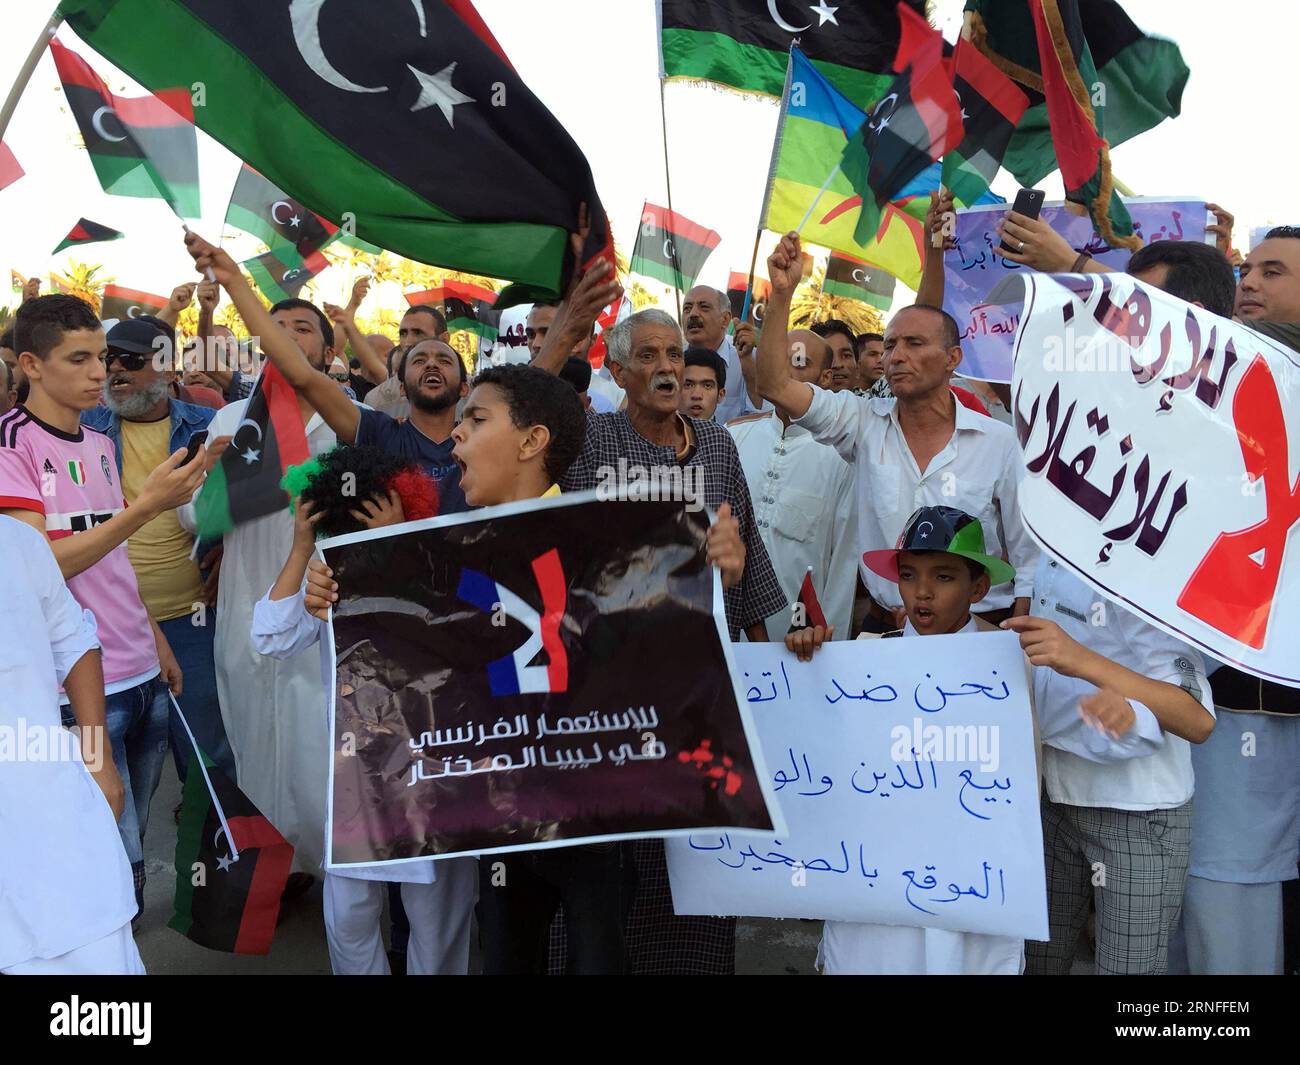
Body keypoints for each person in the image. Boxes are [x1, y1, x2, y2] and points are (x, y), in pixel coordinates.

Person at [0, 294, 202, 913]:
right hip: (79, 686)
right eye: (80, 358)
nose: (99, 372)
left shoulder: (98, 440)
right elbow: (41, 568)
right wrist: (148, 507)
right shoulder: (12, 446)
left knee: (132, 833)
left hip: (141, 666)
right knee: (98, 846)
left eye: (105, 358)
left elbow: (114, 562)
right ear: (31, 364)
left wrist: (157, 639)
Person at [251, 445, 476, 975]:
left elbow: (470, 634)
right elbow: (269, 636)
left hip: (433, 772)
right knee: (350, 916)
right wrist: (304, 547)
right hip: (353, 780)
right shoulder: (326, 576)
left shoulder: (444, 559)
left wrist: (402, 548)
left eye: (379, 512)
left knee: (438, 920)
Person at [786, 506, 1033, 974]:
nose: (922, 592)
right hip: (879, 885)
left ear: (978, 588)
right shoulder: (864, 660)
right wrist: (805, 665)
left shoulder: (1011, 667)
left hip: (970, 885)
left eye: (943, 576)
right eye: (908, 575)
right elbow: (814, 754)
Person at [756, 231, 1038, 633]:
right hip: (881, 631)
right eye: (890, 346)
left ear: (952, 359)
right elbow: (775, 386)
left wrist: (1012, 644)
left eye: (914, 343)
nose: (896, 356)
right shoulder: (861, 422)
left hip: (979, 634)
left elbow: (1028, 558)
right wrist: (782, 294)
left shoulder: (1001, 443)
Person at [185, 231, 469, 514]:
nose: (432, 364)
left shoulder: (481, 437)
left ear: (465, 388)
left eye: (444, 360)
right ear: (401, 387)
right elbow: (303, 375)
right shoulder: (378, 432)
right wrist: (234, 280)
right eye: (419, 360)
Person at [81, 316, 233, 783]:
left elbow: (253, 507)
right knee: (108, 767)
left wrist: (231, 550)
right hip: (109, 626)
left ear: (169, 369)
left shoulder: (212, 427)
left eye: (131, 360)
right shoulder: (83, 429)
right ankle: (125, 856)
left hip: (192, 620)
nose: (115, 371)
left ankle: (213, 846)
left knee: (205, 756)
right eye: (108, 359)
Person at [0, 516, 143, 975]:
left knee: (102, 961)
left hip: (52, 810)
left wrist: (98, 758)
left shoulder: (18, 541)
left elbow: (73, 640)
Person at [727, 327, 857, 642]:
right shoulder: (733, 436)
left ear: (826, 378)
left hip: (799, 641)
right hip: (726, 630)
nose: (785, 371)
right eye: (780, 360)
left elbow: (844, 562)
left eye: (799, 362)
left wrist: (828, 642)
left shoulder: (843, 456)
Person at [681, 284, 763, 423]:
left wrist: (748, 368)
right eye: (687, 309)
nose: (693, 314)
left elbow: (762, 418)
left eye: (704, 307)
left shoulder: (749, 357)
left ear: (725, 319)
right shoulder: (671, 360)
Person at [680, 346, 727, 422]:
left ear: (720, 395)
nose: (696, 395)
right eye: (688, 385)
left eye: (707, 386)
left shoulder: (726, 434)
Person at [811, 319, 858, 393]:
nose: (837, 365)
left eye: (846, 355)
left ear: (857, 366)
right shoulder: (793, 403)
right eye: (829, 356)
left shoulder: (875, 403)